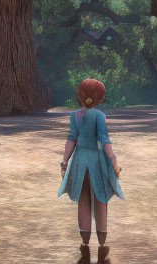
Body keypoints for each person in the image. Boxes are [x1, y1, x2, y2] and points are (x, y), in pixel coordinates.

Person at [57, 79, 125, 264]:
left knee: (83, 199)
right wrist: (114, 162)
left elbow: (71, 139)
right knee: (100, 199)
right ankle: (102, 245)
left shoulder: (74, 116)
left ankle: (85, 243)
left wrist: (64, 160)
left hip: (80, 161)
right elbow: (105, 142)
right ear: (100, 98)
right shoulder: (100, 116)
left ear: (80, 95)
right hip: (97, 161)